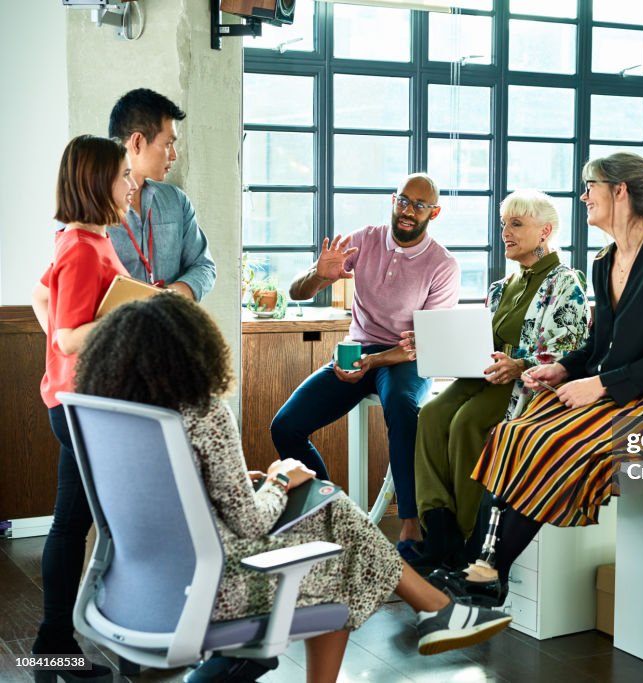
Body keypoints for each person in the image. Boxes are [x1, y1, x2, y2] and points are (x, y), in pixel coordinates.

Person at [73, 294, 512, 683]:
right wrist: (281, 480)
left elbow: (165, 491)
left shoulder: (114, 416)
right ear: (192, 350)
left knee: (329, 506)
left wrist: (238, 482)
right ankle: (438, 610)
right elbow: (249, 521)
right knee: (339, 559)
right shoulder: (204, 413)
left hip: (134, 587)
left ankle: (437, 610)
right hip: (216, 587)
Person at [434, 153, 643, 606]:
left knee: (552, 441)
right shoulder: (605, 262)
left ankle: (487, 572)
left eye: (590, 186)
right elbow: (601, 346)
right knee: (512, 433)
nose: (583, 196)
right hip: (622, 396)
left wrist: (598, 385)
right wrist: (564, 368)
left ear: (619, 191)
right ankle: (478, 567)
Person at [400, 190, 590, 572]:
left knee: (466, 423)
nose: (505, 232)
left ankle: (470, 540)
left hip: (523, 384)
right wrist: (438, 345)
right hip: (483, 376)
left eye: (517, 225)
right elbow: (480, 341)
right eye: (504, 224)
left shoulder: (565, 283)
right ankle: (438, 531)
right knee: (432, 414)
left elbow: (572, 348)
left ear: (545, 232)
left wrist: (520, 365)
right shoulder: (502, 286)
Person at [271, 173, 459, 551]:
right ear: (393, 201)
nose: (408, 211)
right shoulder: (364, 240)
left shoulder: (443, 265)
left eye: (419, 205)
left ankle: (410, 525)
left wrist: (373, 364)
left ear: (433, 213)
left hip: (403, 359)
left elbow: (422, 346)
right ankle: (330, 512)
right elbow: (297, 292)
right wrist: (318, 275)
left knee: (403, 409)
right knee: (286, 426)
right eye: (403, 201)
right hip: (357, 350)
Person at [28, 135, 139, 681]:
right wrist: (135, 314)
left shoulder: (80, 239)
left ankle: (57, 645)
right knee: (86, 525)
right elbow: (72, 337)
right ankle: (73, 644)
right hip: (82, 407)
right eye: (123, 175)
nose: (131, 183)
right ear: (98, 181)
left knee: (74, 524)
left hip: (77, 402)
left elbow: (41, 298)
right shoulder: (79, 246)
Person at [35, 88, 217, 313]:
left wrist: (169, 297)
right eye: (168, 143)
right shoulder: (86, 215)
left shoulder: (177, 202)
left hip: (169, 336)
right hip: (116, 342)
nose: (174, 155)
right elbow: (51, 300)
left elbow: (204, 266)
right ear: (138, 142)